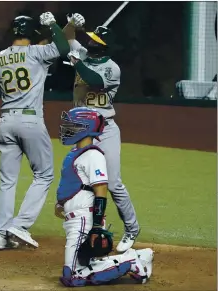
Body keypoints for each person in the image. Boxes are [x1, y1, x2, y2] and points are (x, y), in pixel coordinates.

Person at [0, 13, 70, 250]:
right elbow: (63, 46)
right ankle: (20, 225)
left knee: (7, 181)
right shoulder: (38, 53)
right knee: (44, 174)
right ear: (32, 34)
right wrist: (53, 25)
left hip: (5, 122)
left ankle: (0, 235)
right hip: (30, 121)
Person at [61, 13, 140, 252]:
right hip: (82, 129)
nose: (90, 42)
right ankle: (92, 228)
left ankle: (132, 228)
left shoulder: (111, 68)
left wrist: (77, 63)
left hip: (105, 130)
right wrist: (71, 24)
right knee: (83, 181)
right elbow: (65, 39)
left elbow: (93, 80)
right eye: (90, 38)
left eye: (95, 40)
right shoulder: (83, 54)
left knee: (113, 183)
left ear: (104, 46)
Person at [55, 107, 153, 287]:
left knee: (73, 277)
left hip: (85, 219)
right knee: (82, 267)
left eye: (72, 125)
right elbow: (73, 182)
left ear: (85, 128)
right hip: (75, 219)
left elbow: (101, 190)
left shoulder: (93, 155)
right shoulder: (75, 153)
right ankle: (137, 256)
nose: (67, 129)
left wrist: (96, 226)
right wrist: (61, 203)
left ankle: (132, 262)